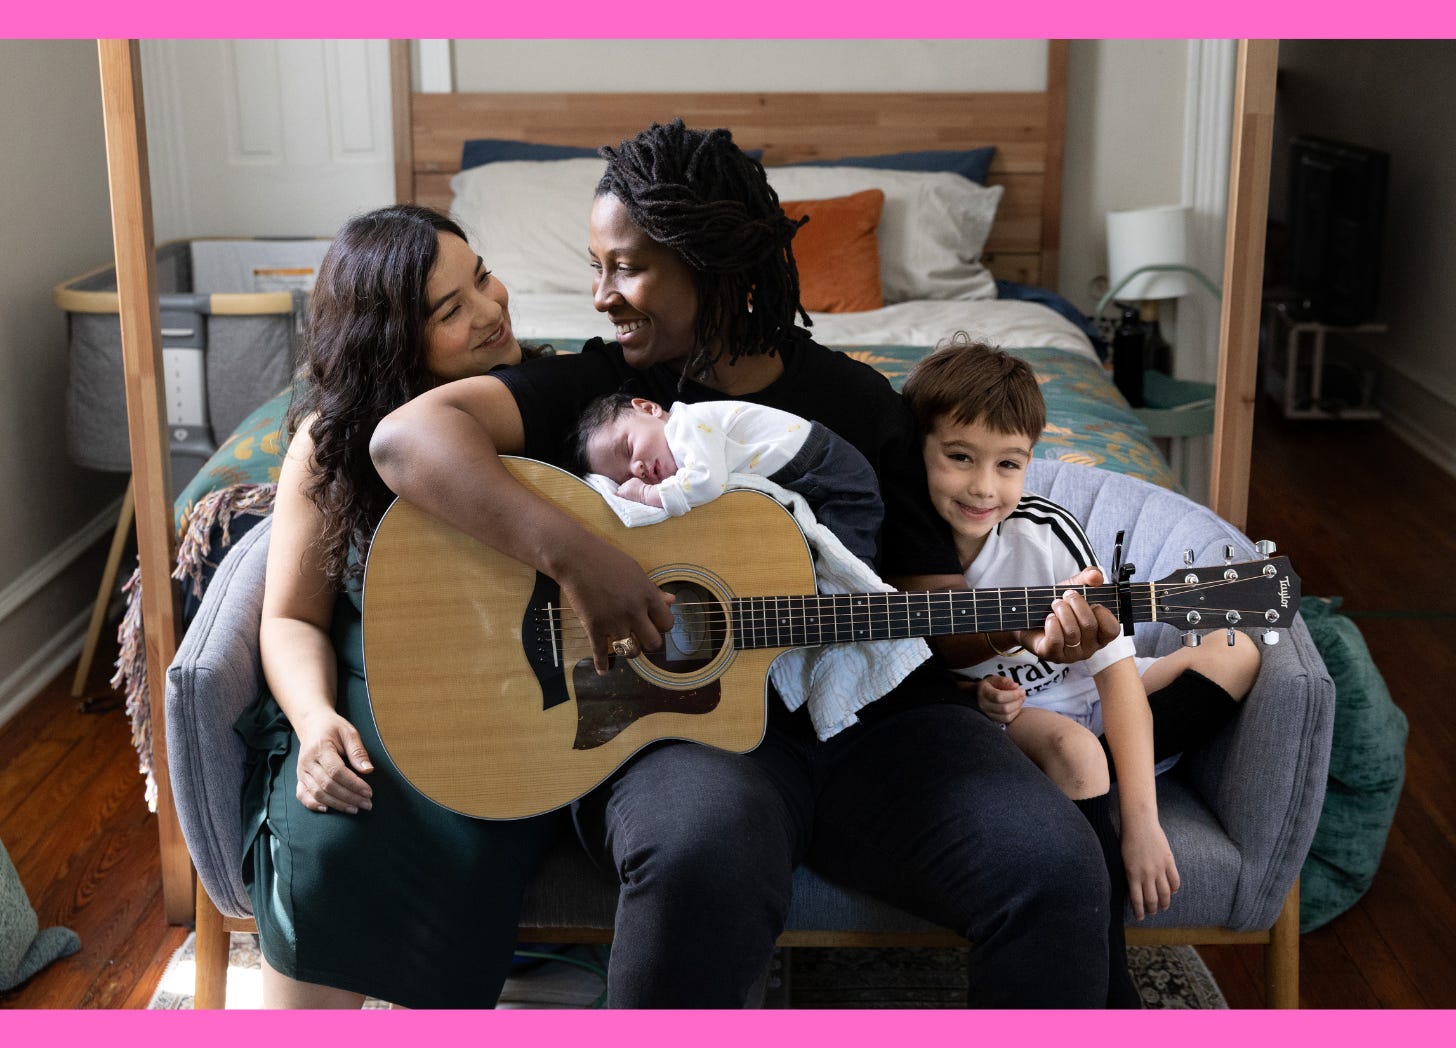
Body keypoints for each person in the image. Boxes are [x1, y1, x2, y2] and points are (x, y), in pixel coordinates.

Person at [371, 119, 1124, 1008]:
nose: (601, 295)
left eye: (626, 266)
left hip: (878, 731)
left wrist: (1028, 628)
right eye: (596, 265)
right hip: (683, 730)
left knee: (1056, 868)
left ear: (711, 264)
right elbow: (407, 439)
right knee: (699, 853)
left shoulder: (856, 402)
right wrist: (581, 560)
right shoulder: (598, 395)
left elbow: (932, 609)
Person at [239, 204, 564, 1009]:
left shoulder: (542, 401)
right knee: (326, 847)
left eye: (482, 276)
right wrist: (315, 723)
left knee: (469, 855)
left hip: (500, 710)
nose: (491, 309)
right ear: (392, 342)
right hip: (361, 687)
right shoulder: (335, 441)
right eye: (451, 310)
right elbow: (290, 617)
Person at [901, 333, 1264, 1006]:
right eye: (959, 458)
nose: (984, 486)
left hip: (1085, 704)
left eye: (1008, 465)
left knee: (1238, 649)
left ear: (1029, 462)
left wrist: (1146, 827)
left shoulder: (1048, 534)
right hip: (1017, 724)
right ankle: (1113, 992)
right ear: (918, 446)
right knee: (1070, 745)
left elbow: (1115, 675)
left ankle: (1100, 780)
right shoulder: (902, 544)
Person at [570, 392, 882, 568]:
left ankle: (862, 612)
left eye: (628, 448)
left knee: (847, 568)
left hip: (830, 468)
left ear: (649, 409)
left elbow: (706, 483)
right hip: (810, 472)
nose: (636, 470)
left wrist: (643, 495)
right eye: (624, 476)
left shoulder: (686, 424)